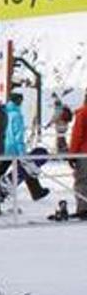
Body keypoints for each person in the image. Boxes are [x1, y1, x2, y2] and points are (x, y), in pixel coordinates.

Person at [0, 92, 49, 201]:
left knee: (2, 171)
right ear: (18, 101)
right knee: (26, 168)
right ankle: (36, 192)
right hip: (14, 149)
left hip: (3, 146)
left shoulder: (4, 112)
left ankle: (36, 191)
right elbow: (18, 136)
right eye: (21, 100)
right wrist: (22, 152)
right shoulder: (17, 115)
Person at [67, 89, 87, 219]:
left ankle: (83, 208)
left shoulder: (83, 113)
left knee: (82, 181)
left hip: (84, 153)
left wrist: (72, 154)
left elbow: (77, 135)